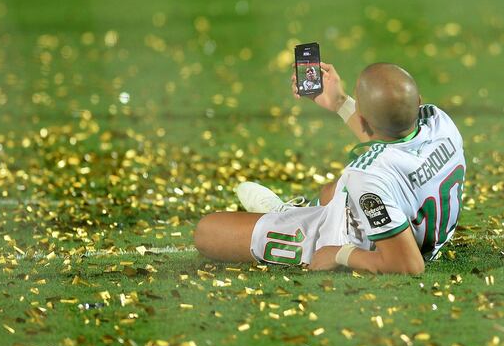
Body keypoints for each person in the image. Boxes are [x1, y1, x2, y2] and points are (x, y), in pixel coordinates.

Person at [193, 62, 466, 274]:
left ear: (363, 119)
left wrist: (341, 254)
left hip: (353, 238)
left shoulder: (368, 176)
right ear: (418, 101)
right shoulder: (440, 122)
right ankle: (296, 212)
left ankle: (286, 216)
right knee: (331, 192)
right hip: (411, 215)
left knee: (207, 231)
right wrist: (338, 101)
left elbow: (409, 265)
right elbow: (389, 135)